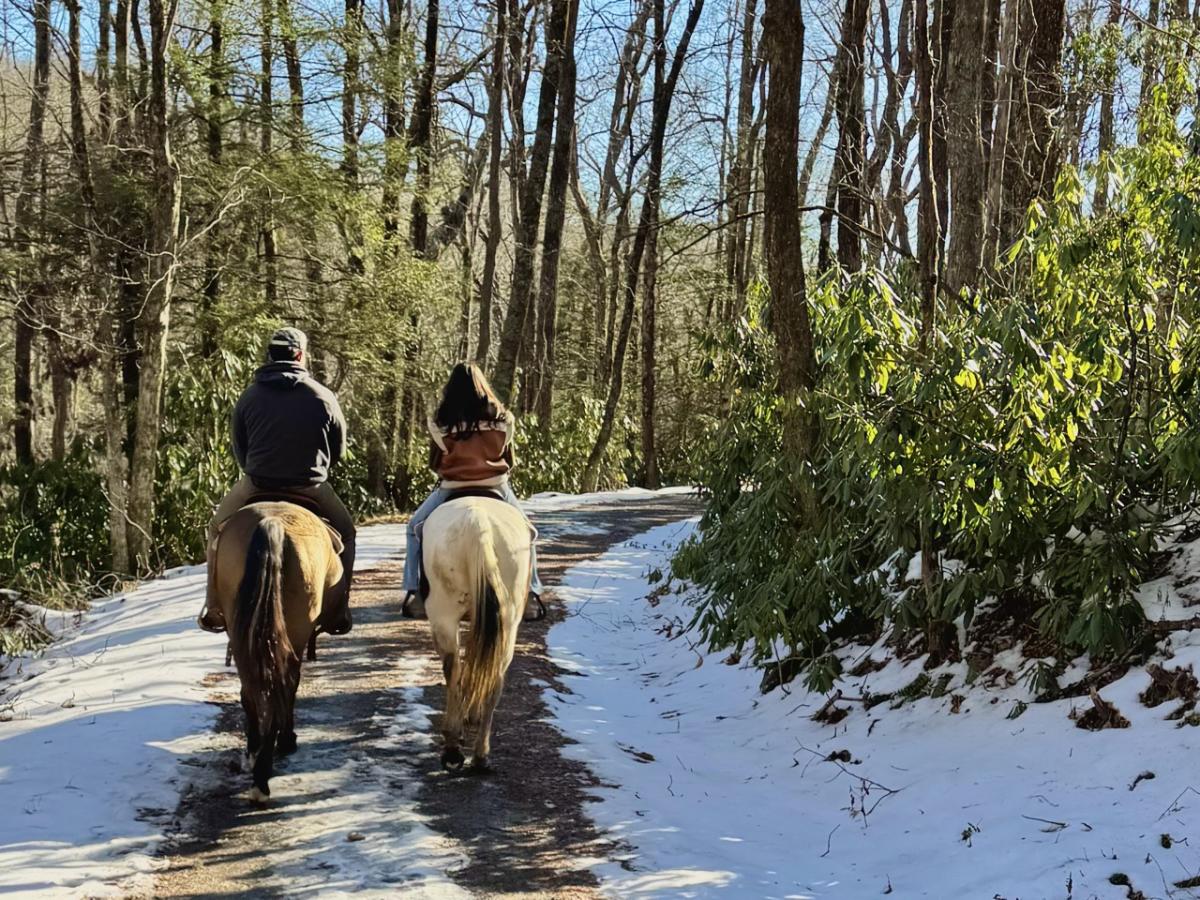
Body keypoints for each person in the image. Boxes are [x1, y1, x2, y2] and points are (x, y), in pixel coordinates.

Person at [197, 327, 355, 636]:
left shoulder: (249, 396)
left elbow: (239, 449)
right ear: (299, 355)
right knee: (347, 533)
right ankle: (339, 609)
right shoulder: (323, 396)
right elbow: (338, 449)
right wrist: (315, 470)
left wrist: (259, 469)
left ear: (271, 355)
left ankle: (213, 605)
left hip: (257, 483)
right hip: (309, 486)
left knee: (217, 527)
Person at [401, 363, 542, 619]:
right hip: (496, 485)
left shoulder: (441, 422)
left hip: (452, 487)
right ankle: (531, 593)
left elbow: (435, 462)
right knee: (527, 531)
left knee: (414, 528)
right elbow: (509, 459)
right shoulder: (503, 420)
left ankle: (415, 593)